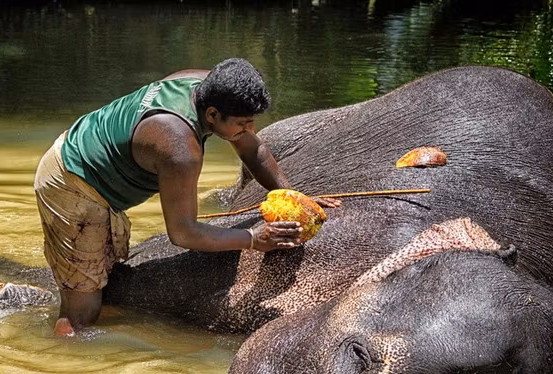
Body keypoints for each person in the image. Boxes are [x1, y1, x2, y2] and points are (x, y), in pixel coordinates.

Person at [33, 57, 339, 336]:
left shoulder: (205, 85)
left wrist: (293, 196)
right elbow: (182, 233)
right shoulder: (179, 148)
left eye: (252, 121)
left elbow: (252, 149)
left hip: (83, 148)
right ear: (212, 114)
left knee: (106, 277)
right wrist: (253, 238)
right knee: (83, 312)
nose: (250, 129)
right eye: (243, 123)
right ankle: (64, 365)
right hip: (72, 184)